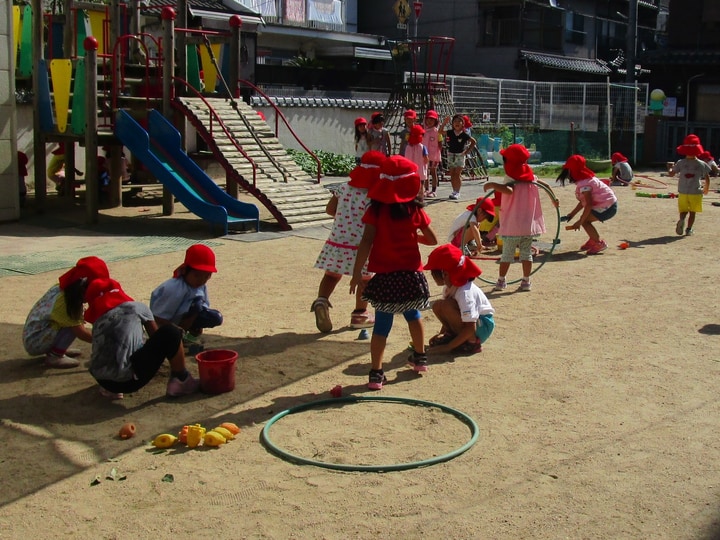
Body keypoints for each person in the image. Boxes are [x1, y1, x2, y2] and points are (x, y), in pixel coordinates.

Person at [350, 155, 438, 390]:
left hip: (386, 278)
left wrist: (357, 274)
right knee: (413, 316)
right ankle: (420, 359)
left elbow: (366, 242)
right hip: (410, 276)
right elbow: (432, 239)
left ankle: (376, 374)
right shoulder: (414, 210)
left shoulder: (375, 210)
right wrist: (413, 235)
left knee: (381, 326)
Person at [85, 277, 200, 400]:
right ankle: (181, 379)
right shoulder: (137, 307)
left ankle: (110, 390)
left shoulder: (99, 320)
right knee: (170, 332)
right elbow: (157, 336)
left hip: (102, 379)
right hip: (128, 381)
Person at [311, 151, 384, 333]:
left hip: (338, 240)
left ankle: (321, 301)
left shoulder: (343, 188)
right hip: (363, 244)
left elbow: (330, 209)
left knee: (331, 275)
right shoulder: (374, 195)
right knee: (364, 278)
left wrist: (345, 217)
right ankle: (360, 314)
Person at [483, 144, 558, 291]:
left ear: (508, 162)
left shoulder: (510, 177)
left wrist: (493, 184)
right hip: (527, 226)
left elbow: (509, 190)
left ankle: (501, 281)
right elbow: (546, 185)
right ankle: (526, 281)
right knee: (526, 254)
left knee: (507, 255)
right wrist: (554, 199)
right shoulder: (529, 176)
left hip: (512, 226)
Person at [22, 256, 110, 368]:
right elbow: (81, 333)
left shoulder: (64, 290)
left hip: (35, 334)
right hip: (36, 341)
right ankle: (55, 356)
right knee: (73, 325)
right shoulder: (67, 303)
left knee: (72, 321)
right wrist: (104, 342)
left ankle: (57, 348)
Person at [423, 244, 495, 355]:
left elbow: (471, 327)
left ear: (445, 274)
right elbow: (450, 315)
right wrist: (443, 333)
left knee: (446, 305)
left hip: (481, 326)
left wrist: (448, 347)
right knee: (438, 305)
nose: (432, 275)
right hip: (471, 324)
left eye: (433, 272)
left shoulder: (465, 293)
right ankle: (453, 335)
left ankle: (472, 343)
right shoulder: (448, 288)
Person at [150, 244, 223, 347]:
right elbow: (156, 317)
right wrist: (174, 328)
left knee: (215, 317)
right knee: (196, 305)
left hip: (185, 316)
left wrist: (197, 325)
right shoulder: (173, 288)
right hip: (167, 322)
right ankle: (178, 337)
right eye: (197, 275)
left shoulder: (201, 285)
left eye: (207, 276)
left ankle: (187, 335)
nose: (201, 280)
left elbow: (203, 306)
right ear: (185, 270)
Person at [560, 154, 618, 253]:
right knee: (585, 220)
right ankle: (593, 240)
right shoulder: (586, 179)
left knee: (585, 221)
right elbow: (583, 202)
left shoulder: (584, 184)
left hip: (607, 207)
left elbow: (589, 205)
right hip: (608, 204)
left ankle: (598, 243)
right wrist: (571, 215)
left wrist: (580, 221)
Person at [668, 134, 711, 236]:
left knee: (683, 210)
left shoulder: (680, 162)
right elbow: (707, 177)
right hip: (695, 191)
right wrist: (706, 188)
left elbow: (671, 173)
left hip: (682, 191)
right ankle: (689, 229)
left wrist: (670, 167)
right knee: (692, 212)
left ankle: (682, 219)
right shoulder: (701, 164)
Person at [441, 114, 477, 200]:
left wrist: (467, 151)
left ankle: (457, 191)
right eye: (455, 121)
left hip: (460, 155)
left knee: (457, 174)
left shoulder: (464, 134)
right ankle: (454, 191)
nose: (457, 123)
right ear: (452, 123)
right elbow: (440, 132)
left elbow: (473, 142)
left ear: (462, 124)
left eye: (459, 121)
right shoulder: (450, 132)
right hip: (451, 154)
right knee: (452, 174)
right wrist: (444, 123)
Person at [403, 124, 428, 198]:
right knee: (421, 185)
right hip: (420, 171)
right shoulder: (423, 147)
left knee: (411, 185)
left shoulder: (408, 147)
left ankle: (411, 197)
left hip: (410, 171)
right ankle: (421, 198)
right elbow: (426, 158)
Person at [422, 110, 442, 197]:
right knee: (425, 172)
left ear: (435, 121)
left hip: (434, 156)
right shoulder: (423, 131)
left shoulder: (437, 132)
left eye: (432, 120)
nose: (429, 121)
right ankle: (426, 189)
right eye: (428, 119)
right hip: (424, 155)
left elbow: (440, 143)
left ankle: (434, 190)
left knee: (433, 172)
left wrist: (437, 154)